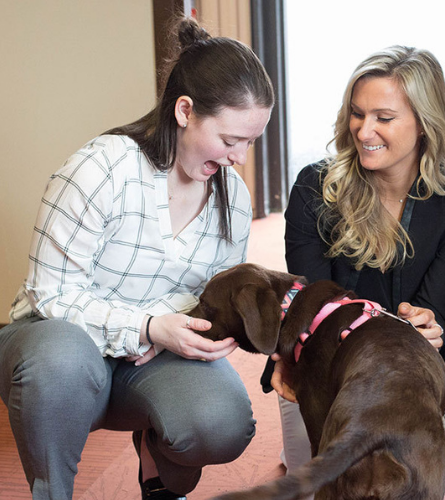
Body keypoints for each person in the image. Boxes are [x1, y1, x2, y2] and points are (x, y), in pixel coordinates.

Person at [0, 18, 270, 499]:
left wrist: (172, 334)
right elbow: (51, 295)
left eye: (251, 141)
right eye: (231, 141)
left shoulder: (234, 197)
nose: (240, 159)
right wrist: (145, 325)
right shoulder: (100, 169)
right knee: (60, 359)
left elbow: (206, 300)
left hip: (149, 359)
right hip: (57, 349)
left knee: (221, 421)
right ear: (185, 111)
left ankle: (158, 475)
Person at [277, 45, 445, 482]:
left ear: (425, 125)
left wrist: (432, 323)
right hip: (324, 368)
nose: (364, 129)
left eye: (384, 118)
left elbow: (439, 307)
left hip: (417, 371)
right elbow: (314, 305)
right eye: (357, 113)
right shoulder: (314, 189)